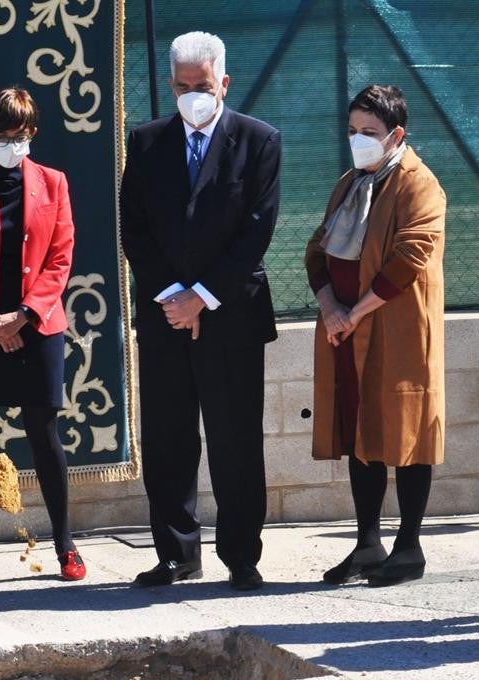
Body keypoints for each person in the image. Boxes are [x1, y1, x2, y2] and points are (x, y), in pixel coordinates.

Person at [119, 31, 281, 591]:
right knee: (167, 438)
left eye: (204, 86)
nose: (194, 96)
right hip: (165, 317)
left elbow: (256, 230)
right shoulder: (144, 142)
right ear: (170, 85)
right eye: (183, 87)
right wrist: (171, 296)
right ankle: (176, 553)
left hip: (231, 314)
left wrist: (202, 296)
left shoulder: (258, 141)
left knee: (235, 438)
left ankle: (241, 555)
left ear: (224, 83)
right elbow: (134, 228)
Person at [304, 85, 445, 588]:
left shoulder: (417, 184)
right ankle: (367, 542)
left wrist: (355, 312)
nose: (359, 141)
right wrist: (331, 309)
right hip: (345, 329)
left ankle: (409, 547)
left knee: (405, 434)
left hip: (396, 332)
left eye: (370, 133)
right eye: (353, 131)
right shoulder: (349, 183)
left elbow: (409, 258)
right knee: (359, 431)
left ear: (396, 135)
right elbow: (317, 250)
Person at [0, 87, 84, 582]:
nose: (9, 144)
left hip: (38, 328)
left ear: (32, 133)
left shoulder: (53, 182)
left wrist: (25, 316)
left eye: (18, 135)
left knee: (44, 434)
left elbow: (61, 258)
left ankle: (65, 544)